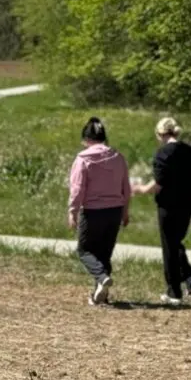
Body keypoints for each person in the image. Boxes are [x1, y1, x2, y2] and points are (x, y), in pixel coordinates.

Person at [134, 116, 191, 305]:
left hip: (168, 206)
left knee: (169, 247)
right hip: (186, 205)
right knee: (176, 241)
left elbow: (159, 183)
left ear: (160, 134)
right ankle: (189, 277)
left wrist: (142, 189)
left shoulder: (163, 153)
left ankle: (174, 291)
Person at [68, 117, 131, 306]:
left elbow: (78, 188)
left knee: (84, 250)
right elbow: (125, 188)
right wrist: (125, 211)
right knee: (104, 253)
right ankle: (100, 294)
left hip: (93, 211)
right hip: (114, 210)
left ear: (86, 139)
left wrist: (72, 211)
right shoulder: (118, 157)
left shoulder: (83, 159)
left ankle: (102, 278)